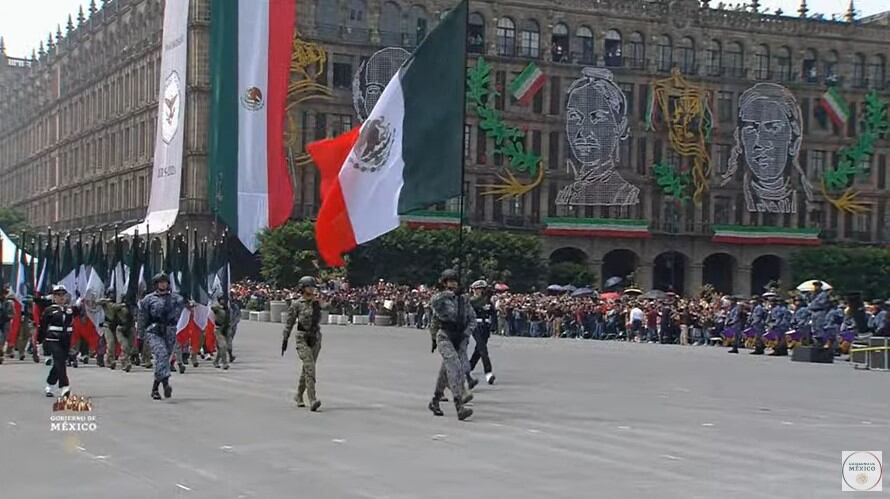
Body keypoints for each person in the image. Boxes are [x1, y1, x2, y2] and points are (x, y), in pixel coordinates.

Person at [428, 269, 475, 421]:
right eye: (450, 281)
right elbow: (433, 302)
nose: (453, 284)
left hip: (460, 338)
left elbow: (472, 319)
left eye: (455, 281)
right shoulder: (441, 299)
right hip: (445, 337)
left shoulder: (464, 300)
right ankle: (459, 405)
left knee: (445, 373)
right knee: (455, 367)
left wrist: (467, 334)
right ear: (444, 283)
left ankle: (435, 400)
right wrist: (448, 293)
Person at [137, 273, 185, 400]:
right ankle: (164, 385)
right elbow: (142, 318)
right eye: (160, 282)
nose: (163, 284)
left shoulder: (176, 299)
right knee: (162, 354)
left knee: (164, 360)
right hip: (154, 331)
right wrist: (140, 336)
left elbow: (181, 310)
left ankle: (157, 388)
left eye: (165, 282)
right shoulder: (148, 299)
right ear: (156, 284)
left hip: (169, 331)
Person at [282, 276, 324, 412]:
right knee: (310, 366)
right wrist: (285, 339)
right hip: (302, 338)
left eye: (313, 286)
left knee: (307, 369)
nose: (312, 289)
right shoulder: (297, 304)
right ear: (302, 288)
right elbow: (289, 323)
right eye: (309, 286)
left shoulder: (317, 302)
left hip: (316, 338)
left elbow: (330, 306)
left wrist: (325, 302)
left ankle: (298, 395)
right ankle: (312, 399)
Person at [38, 285, 81, 398]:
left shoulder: (70, 309)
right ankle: (64, 387)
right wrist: (40, 340)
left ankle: (50, 384)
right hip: (53, 338)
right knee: (60, 361)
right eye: (58, 295)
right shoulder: (49, 310)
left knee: (59, 363)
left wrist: (82, 300)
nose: (61, 297)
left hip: (66, 339)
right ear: (53, 297)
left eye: (63, 295)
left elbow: (80, 312)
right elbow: (43, 326)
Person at [468, 280, 496, 385]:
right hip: (476, 326)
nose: (480, 291)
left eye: (482, 289)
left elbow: (493, 313)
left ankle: (468, 368)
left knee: (478, 351)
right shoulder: (471, 300)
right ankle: (488, 373)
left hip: (486, 326)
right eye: (478, 289)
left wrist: (494, 326)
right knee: (483, 350)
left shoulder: (487, 301)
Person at [211, 294, 233, 370]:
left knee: (223, 348)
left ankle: (216, 361)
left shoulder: (228, 309)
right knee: (223, 346)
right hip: (218, 329)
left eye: (224, 300)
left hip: (226, 329)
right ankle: (224, 363)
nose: (223, 301)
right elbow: (212, 308)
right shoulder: (218, 309)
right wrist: (219, 306)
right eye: (221, 299)